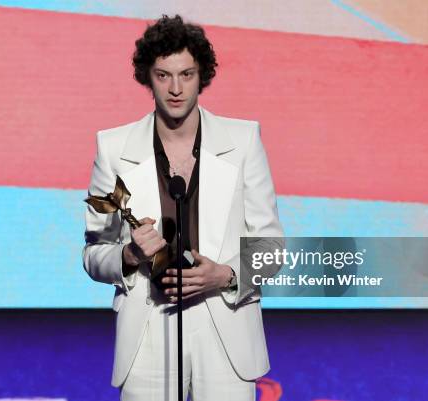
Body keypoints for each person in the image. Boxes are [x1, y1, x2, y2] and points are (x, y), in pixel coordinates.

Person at [83, 15, 283, 401]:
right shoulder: (113, 147)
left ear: (202, 76)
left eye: (186, 75)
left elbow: (271, 246)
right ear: (147, 77)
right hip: (148, 326)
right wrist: (128, 254)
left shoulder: (243, 141)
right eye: (163, 75)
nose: (175, 89)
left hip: (224, 321)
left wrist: (225, 275)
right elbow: (92, 255)